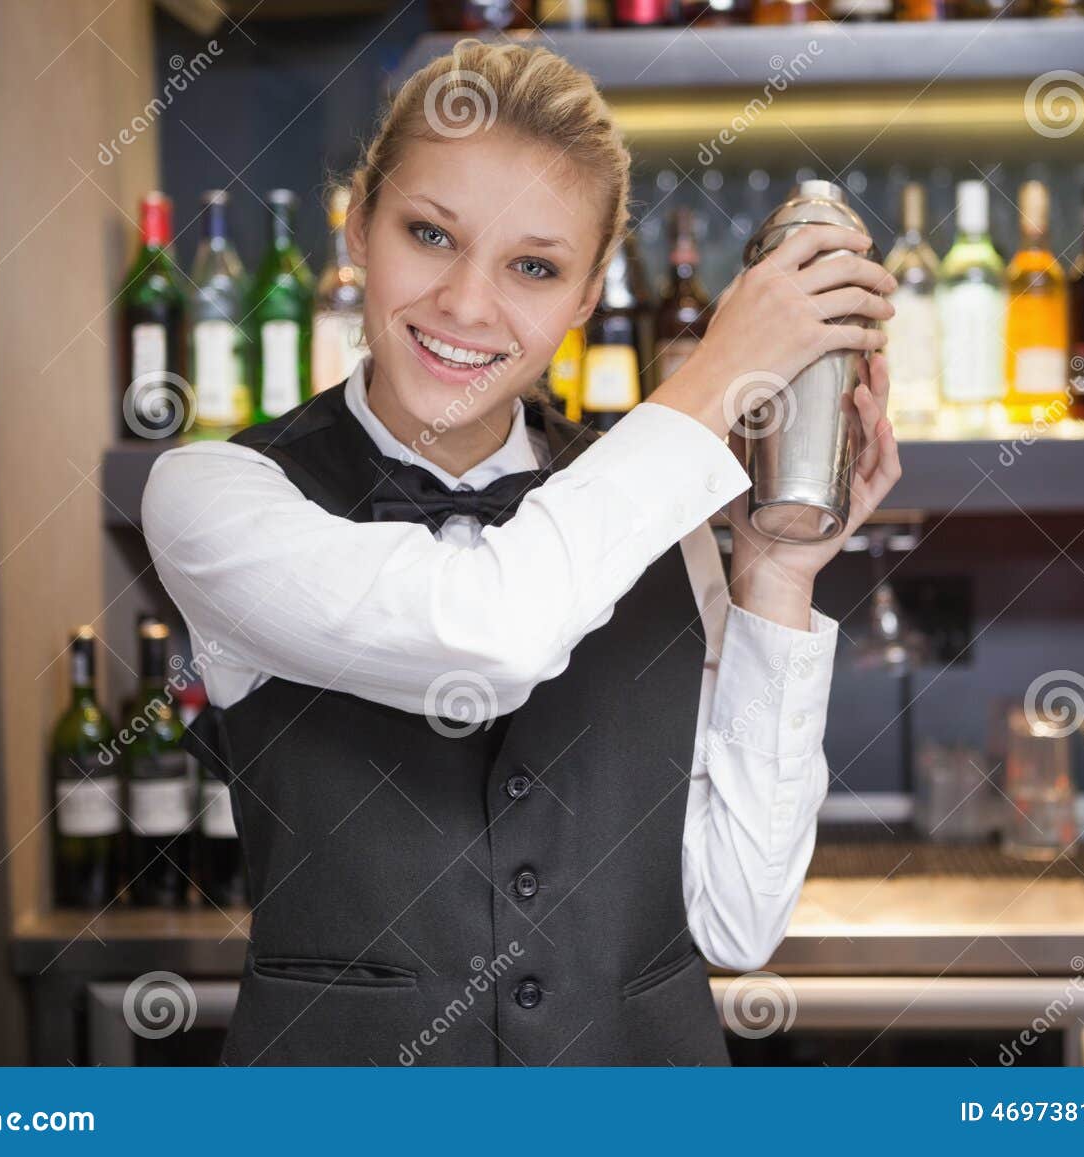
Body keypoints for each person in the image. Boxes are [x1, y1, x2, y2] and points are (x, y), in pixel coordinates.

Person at [141, 38, 900, 1066]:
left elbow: (737, 917)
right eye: (429, 234)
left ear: (587, 297)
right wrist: (715, 377)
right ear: (356, 226)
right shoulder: (213, 495)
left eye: (534, 266)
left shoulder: (662, 516)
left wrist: (776, 571)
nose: (466, 304)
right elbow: (489, 634)